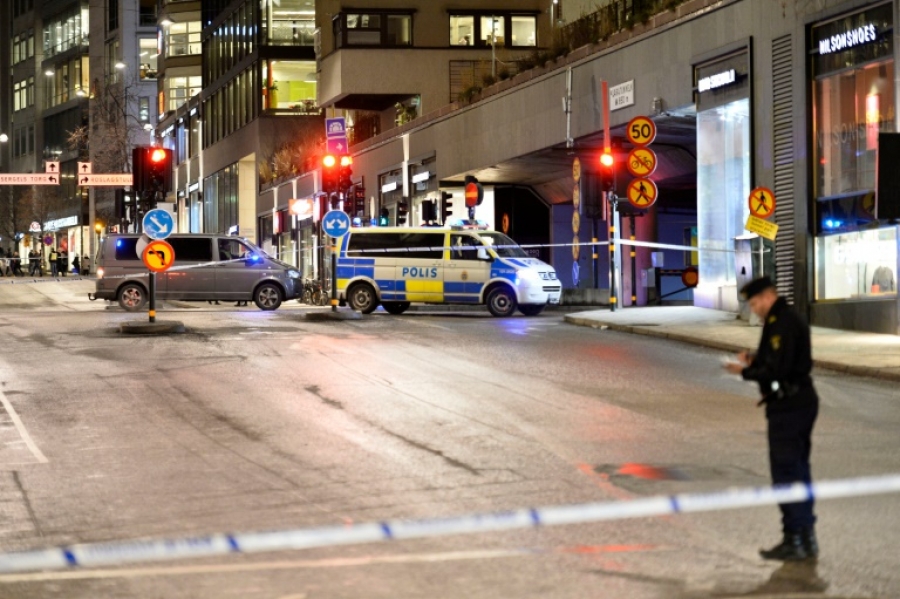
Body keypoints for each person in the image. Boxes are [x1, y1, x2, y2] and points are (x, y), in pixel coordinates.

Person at [724, 276, 819, 561]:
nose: (754, 309)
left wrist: (743, 372)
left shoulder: (782, 323)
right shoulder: (780, 319)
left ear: (768, 296)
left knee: (787, 473)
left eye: (755, 303)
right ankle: (805, 538)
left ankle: (795, 538)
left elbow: (778, 369)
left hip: (790, 406)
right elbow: (778, 360)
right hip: (793, 402)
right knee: (798, 470)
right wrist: (755, 359)